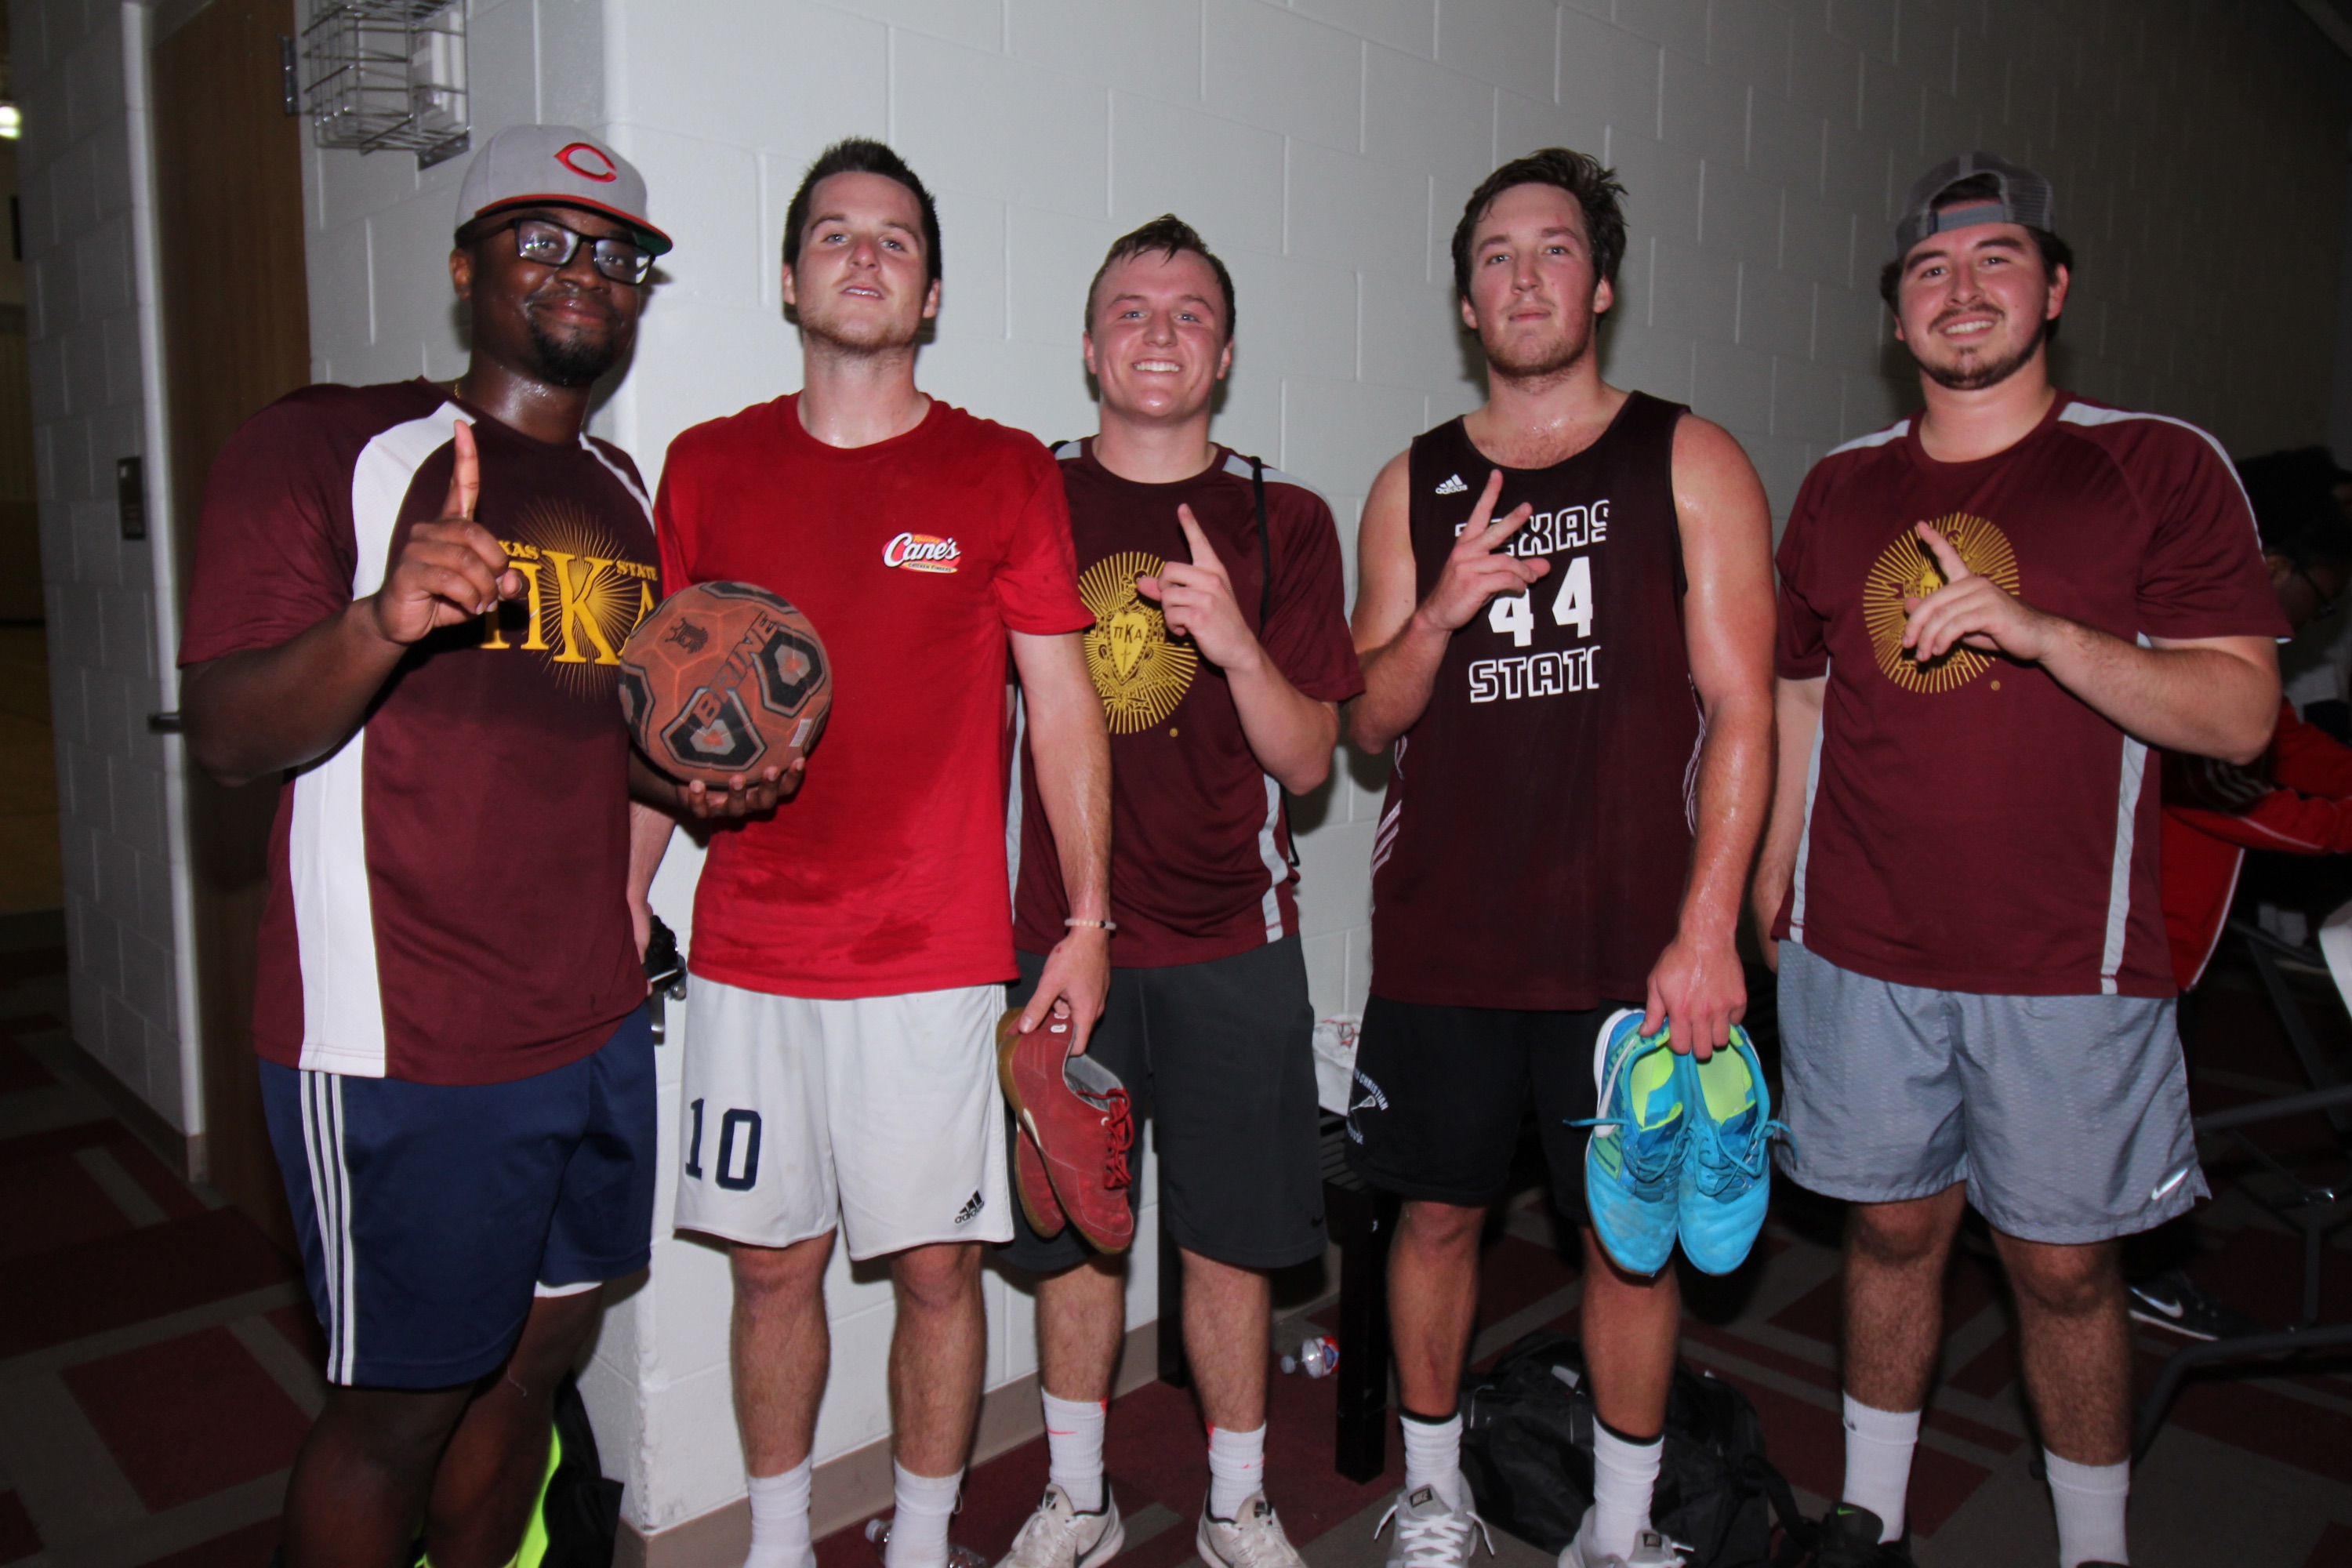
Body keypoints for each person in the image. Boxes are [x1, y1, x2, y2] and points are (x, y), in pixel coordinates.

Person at [1751, 152, 2285, 1568]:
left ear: (2054, 290)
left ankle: (2093, 1548)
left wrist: (2046, 632)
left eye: (1996, 262)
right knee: (1887, 1239)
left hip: (2068, 958)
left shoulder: (2153, 463)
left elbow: (2240, 709)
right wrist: (1769, 880)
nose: (1962, 289)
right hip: (1856, 946)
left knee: (2061, 1269)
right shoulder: (1838, 488)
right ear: (1896, 316)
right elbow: (1801, 697)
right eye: (1930, 270)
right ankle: (1872, 1518)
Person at [176, 125, 677, 1568]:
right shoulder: (327, 447)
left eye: (617, 253)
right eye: (542, 239)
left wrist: (702, 774)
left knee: (533, 1366)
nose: (584, 271)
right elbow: (226, 731)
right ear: (466, 271)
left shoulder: (627, 495)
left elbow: (595, 739)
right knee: (396, 1411)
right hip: (404, 1037)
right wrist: (377, 623)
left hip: (592, 1022)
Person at [652, 139, 1111, 1568]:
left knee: (934, 1269)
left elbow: (1066, 705)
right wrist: (627, 900)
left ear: (931, 296)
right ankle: (779, 1544)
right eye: (836, 234)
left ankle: (918, 1543)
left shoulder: (996, 472)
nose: (865, 255)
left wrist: (1089, 921)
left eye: (896, 240)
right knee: (774, 1270)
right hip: (753, 955)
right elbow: (663, 710)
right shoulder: (709, 465)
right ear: (789, 279)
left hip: (934, 955)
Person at [1344, 149, 1777, 1568]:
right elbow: (1367, 722)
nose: (1523, 279)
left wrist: (1710, 926)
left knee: (1627, 1238)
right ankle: (1434, 1497)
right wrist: (1439, 612)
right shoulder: (1411, 482)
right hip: (1448, 934)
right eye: (1494, 259)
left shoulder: (1689, 457)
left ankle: (1623, 1528)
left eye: (1552, 252)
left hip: (1627, 940)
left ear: (1602, 283)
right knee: (1437, 1215)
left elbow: (1743, 707)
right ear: (1466, 302)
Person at [991, 216, 1363, 1568]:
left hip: (1232, 939)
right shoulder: (1017, 496)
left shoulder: (1287, 517)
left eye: (1190, 313)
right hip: (1056, 946)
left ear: (1223, 353)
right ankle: (1079, 1498)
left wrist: (1237, 642)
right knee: (1079, 1239)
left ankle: (1237, 1503)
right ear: (1090, 345)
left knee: (1231, 1237)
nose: (1160, 333)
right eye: (1131, 312)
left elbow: (1313, 756)